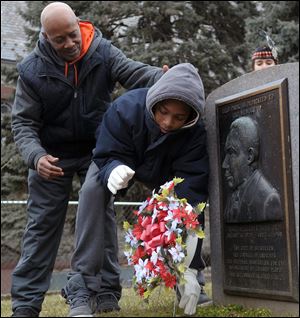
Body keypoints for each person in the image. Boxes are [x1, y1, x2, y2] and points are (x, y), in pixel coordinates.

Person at [10, 2, 170, 317]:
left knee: (100, 214)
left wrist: (166, 78)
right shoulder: (31, 70)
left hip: (99, 149)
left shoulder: (102, 51)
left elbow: (133, 72)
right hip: (50, 156)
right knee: (41, 227)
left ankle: (107, 294)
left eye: (72, 35)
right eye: (60, 40)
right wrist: (36, 156)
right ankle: (26, 305)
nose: (69, 44)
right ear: (46, 37)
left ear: (78, 26)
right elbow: (23, 124)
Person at [61, 63, 209, 316]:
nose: (167, 122)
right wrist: (112, 168)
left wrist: (191, 267)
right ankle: (82, 285)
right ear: (155, 101)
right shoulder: (125, 108)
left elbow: (191, 198)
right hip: (119, 158)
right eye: (162, 112)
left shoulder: (195, 134)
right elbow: (105, 150)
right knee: (92, 191)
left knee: (184, 206)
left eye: (179, 117)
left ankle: (187, 280)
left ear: (190, 117)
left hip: (166, 173)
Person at [222, 116, 283, 223]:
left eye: (231, 153)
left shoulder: (269, 200)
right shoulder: (232, 197)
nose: (224, 164)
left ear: (250, 156)